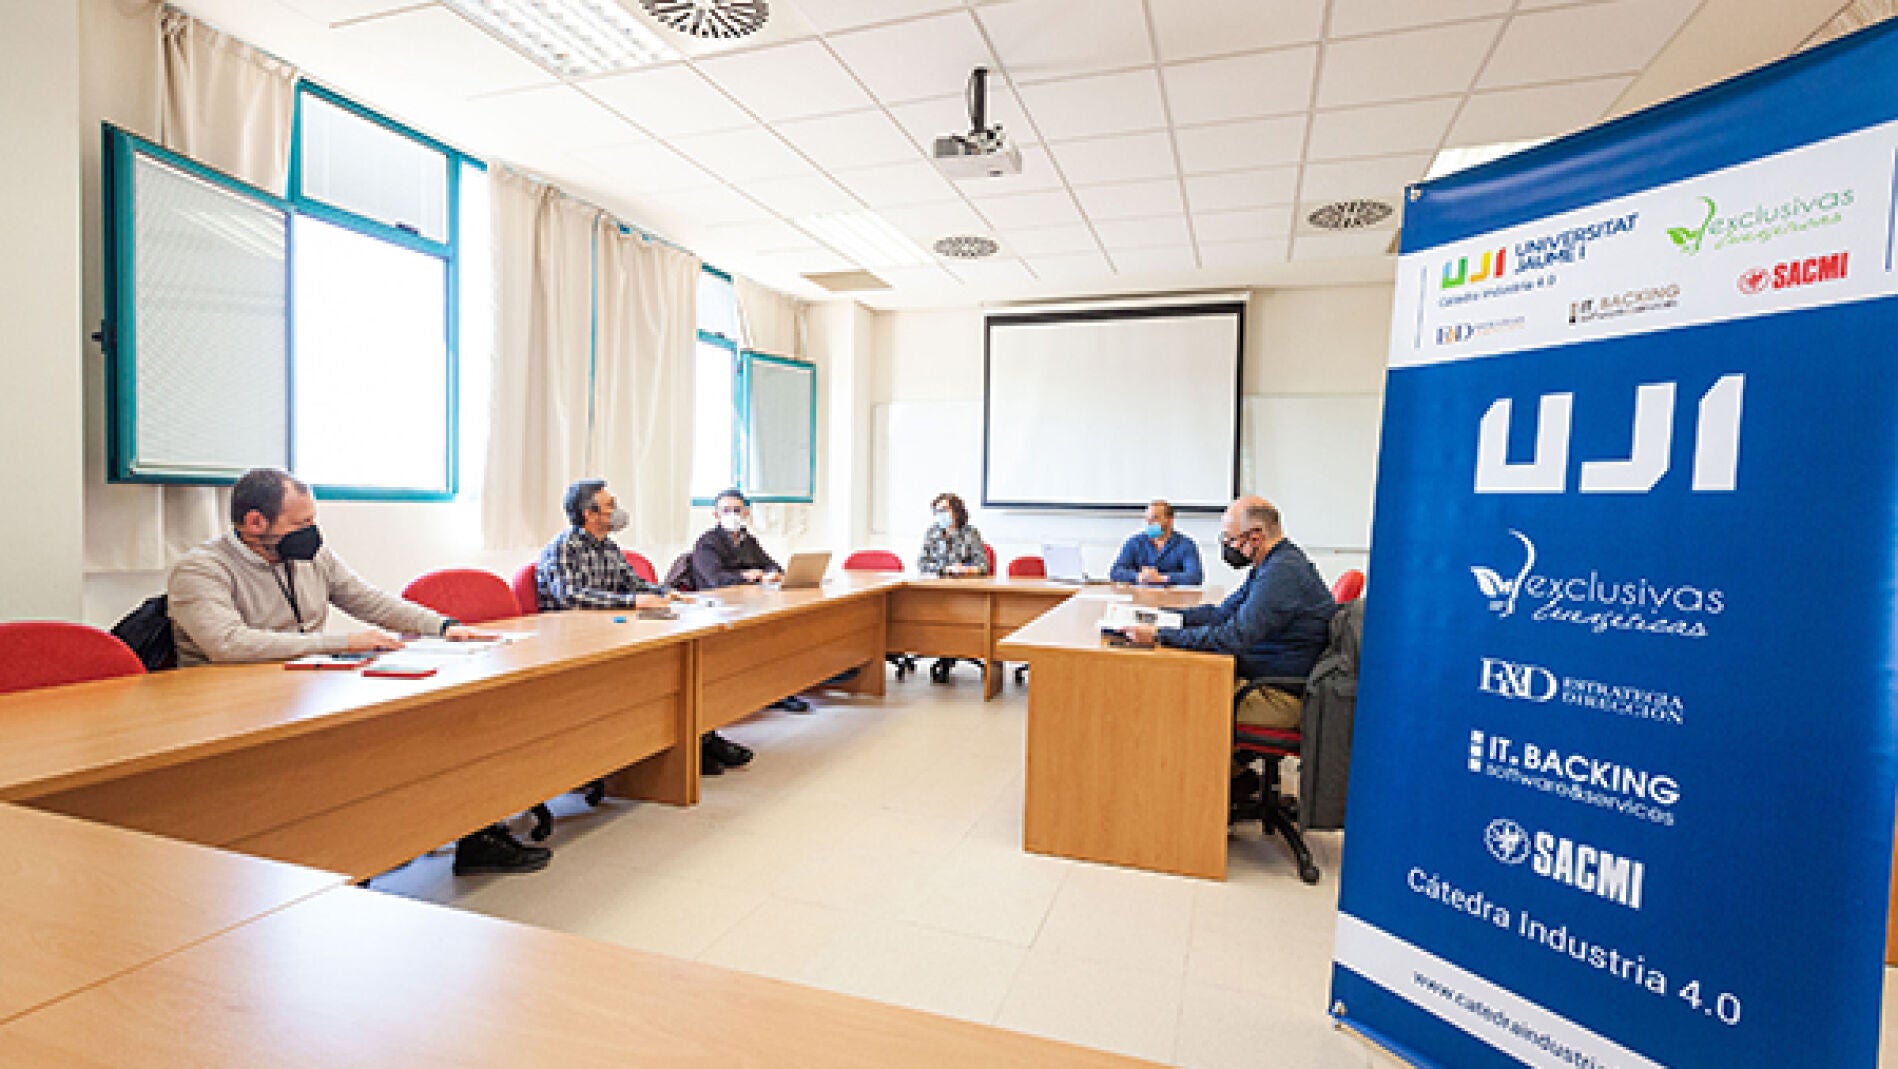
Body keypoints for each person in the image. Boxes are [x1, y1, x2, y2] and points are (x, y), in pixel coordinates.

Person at [167, 467, 548, 876]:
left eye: (312, 519)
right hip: (232, 707)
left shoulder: (310, 558)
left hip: (303, 686)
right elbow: (227, 643)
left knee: (438, 722)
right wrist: (342, 642)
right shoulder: (201, 569)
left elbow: (369, 600)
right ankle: (349, 855)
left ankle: (472, 834)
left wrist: (442, 626)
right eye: (301, 523)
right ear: (255, 522)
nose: (311, 532)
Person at [1121, 495, 1336, 733]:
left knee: (1176, 698)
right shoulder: (1271, 564)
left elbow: (1233, 637)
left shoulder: (1282, 573)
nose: (1227, 546)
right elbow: (1222, 614)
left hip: (1278, 695)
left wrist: (1160, 636)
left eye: (1230, 539)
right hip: (1261, 677)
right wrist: (1162, 617)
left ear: (1255, 538)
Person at [687, 488, 812, 718]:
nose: (732, 515)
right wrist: (746, 575)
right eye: (726, 510)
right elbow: (715, 579)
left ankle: (777, 689)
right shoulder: (707, 543)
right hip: (718, 607)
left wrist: (772, 573)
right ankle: (757, 691)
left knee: (781, 627)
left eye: (737, 510)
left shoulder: (748, 540)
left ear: (745, 513)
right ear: (716, 515)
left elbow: (772, 565)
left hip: (750, 602)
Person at [1109, 499, 1204, 586]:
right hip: (1141, 596)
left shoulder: (1186, 544)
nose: (1149, 523)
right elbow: (1115, 572)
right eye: (1147, 518)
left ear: (1169, 520)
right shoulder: (1135, 542)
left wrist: (1162, 578)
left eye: (1154, 518)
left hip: (1172, 596)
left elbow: (1195, 576)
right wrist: (1138, 576)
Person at [917, 492, 988, 578]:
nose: (940, 514)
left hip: (963, 582)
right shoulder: (931, 532)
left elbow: (983, 566)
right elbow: (921, 564)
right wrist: (945, 569)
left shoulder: (970, 533)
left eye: (944, 510)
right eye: (937, 511)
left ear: (956, 511)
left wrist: (966, 569)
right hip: (937, 582)